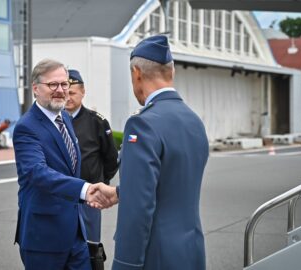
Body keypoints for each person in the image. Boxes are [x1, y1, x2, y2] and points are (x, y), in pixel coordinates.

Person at [89, 35, 209, 270]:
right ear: (171, 72)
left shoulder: (142, 124)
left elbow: (138, 207)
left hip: (156, 256)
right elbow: (171, 184)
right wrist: (119, 192)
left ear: (136, 73)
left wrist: (125, 264)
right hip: (191, 252)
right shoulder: (193, 120)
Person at [12, 59, 110, 270]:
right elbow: (37, 173)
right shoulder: (26, 127)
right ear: (36, 88)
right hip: (44, 238)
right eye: (52, 85)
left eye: (64, 84)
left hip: (75, 234)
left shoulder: (64, 117)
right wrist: (85, 190)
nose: (60, 90)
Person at [65, 69, 119, 244]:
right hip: (62, 195)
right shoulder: (54, 121)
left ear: (83, 92)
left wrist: (99, 182)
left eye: (72, 93)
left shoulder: (97, 122)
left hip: (89, 197)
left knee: (89, 246)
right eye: (65, 92)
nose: (68, 97)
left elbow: (111, 158)